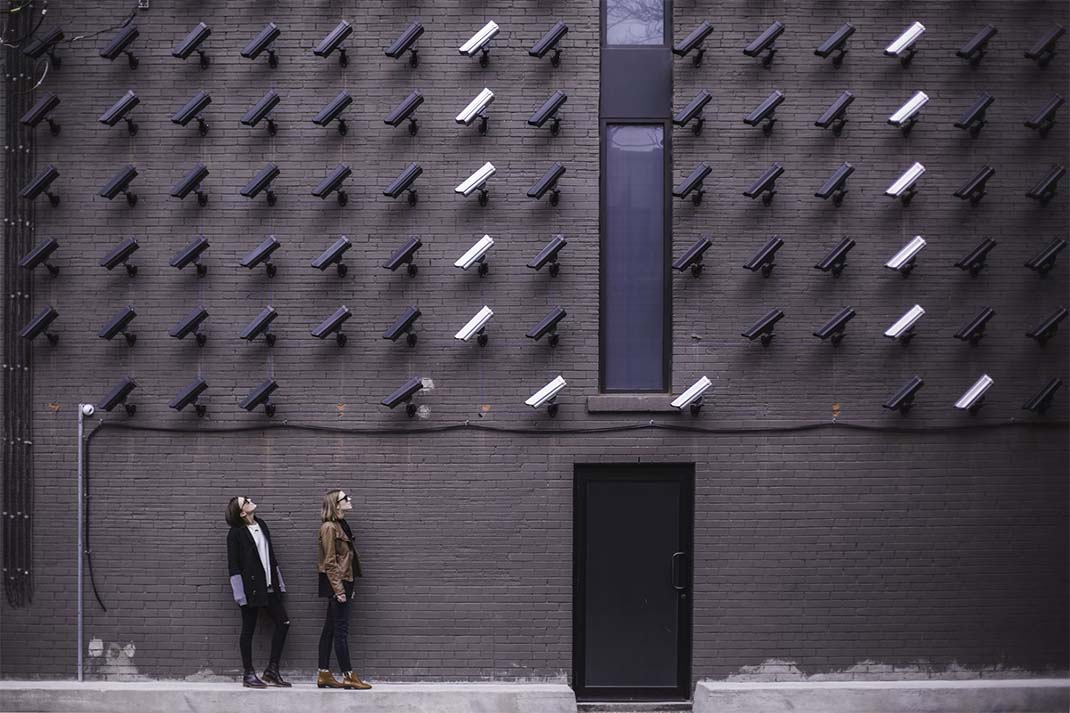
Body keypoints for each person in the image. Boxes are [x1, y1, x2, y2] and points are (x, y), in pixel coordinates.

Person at [225, 496, 291, 688]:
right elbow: (233, 566)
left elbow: (270, 556)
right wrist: (240, 595)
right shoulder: (235, 534)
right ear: (242, 512)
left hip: (269, 588)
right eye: (245, 501)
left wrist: (279, 583)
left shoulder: (262, 524)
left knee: (284, 623)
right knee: (248, 630)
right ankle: (248, 674)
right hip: (250, 591)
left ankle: (272, 670)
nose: (249, 500)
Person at [316, 489, 372, 690]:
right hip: (336, 583)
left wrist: (350, 585)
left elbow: (347, 560)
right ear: (336, 504)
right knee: (340, 631)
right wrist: (340, 589)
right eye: (345, 498)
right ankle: (348, 674)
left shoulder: (341, 525)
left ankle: (323, 674)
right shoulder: (329, 528)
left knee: (330, 630)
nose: (350, 499)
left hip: (343, 581)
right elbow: (329, 562)